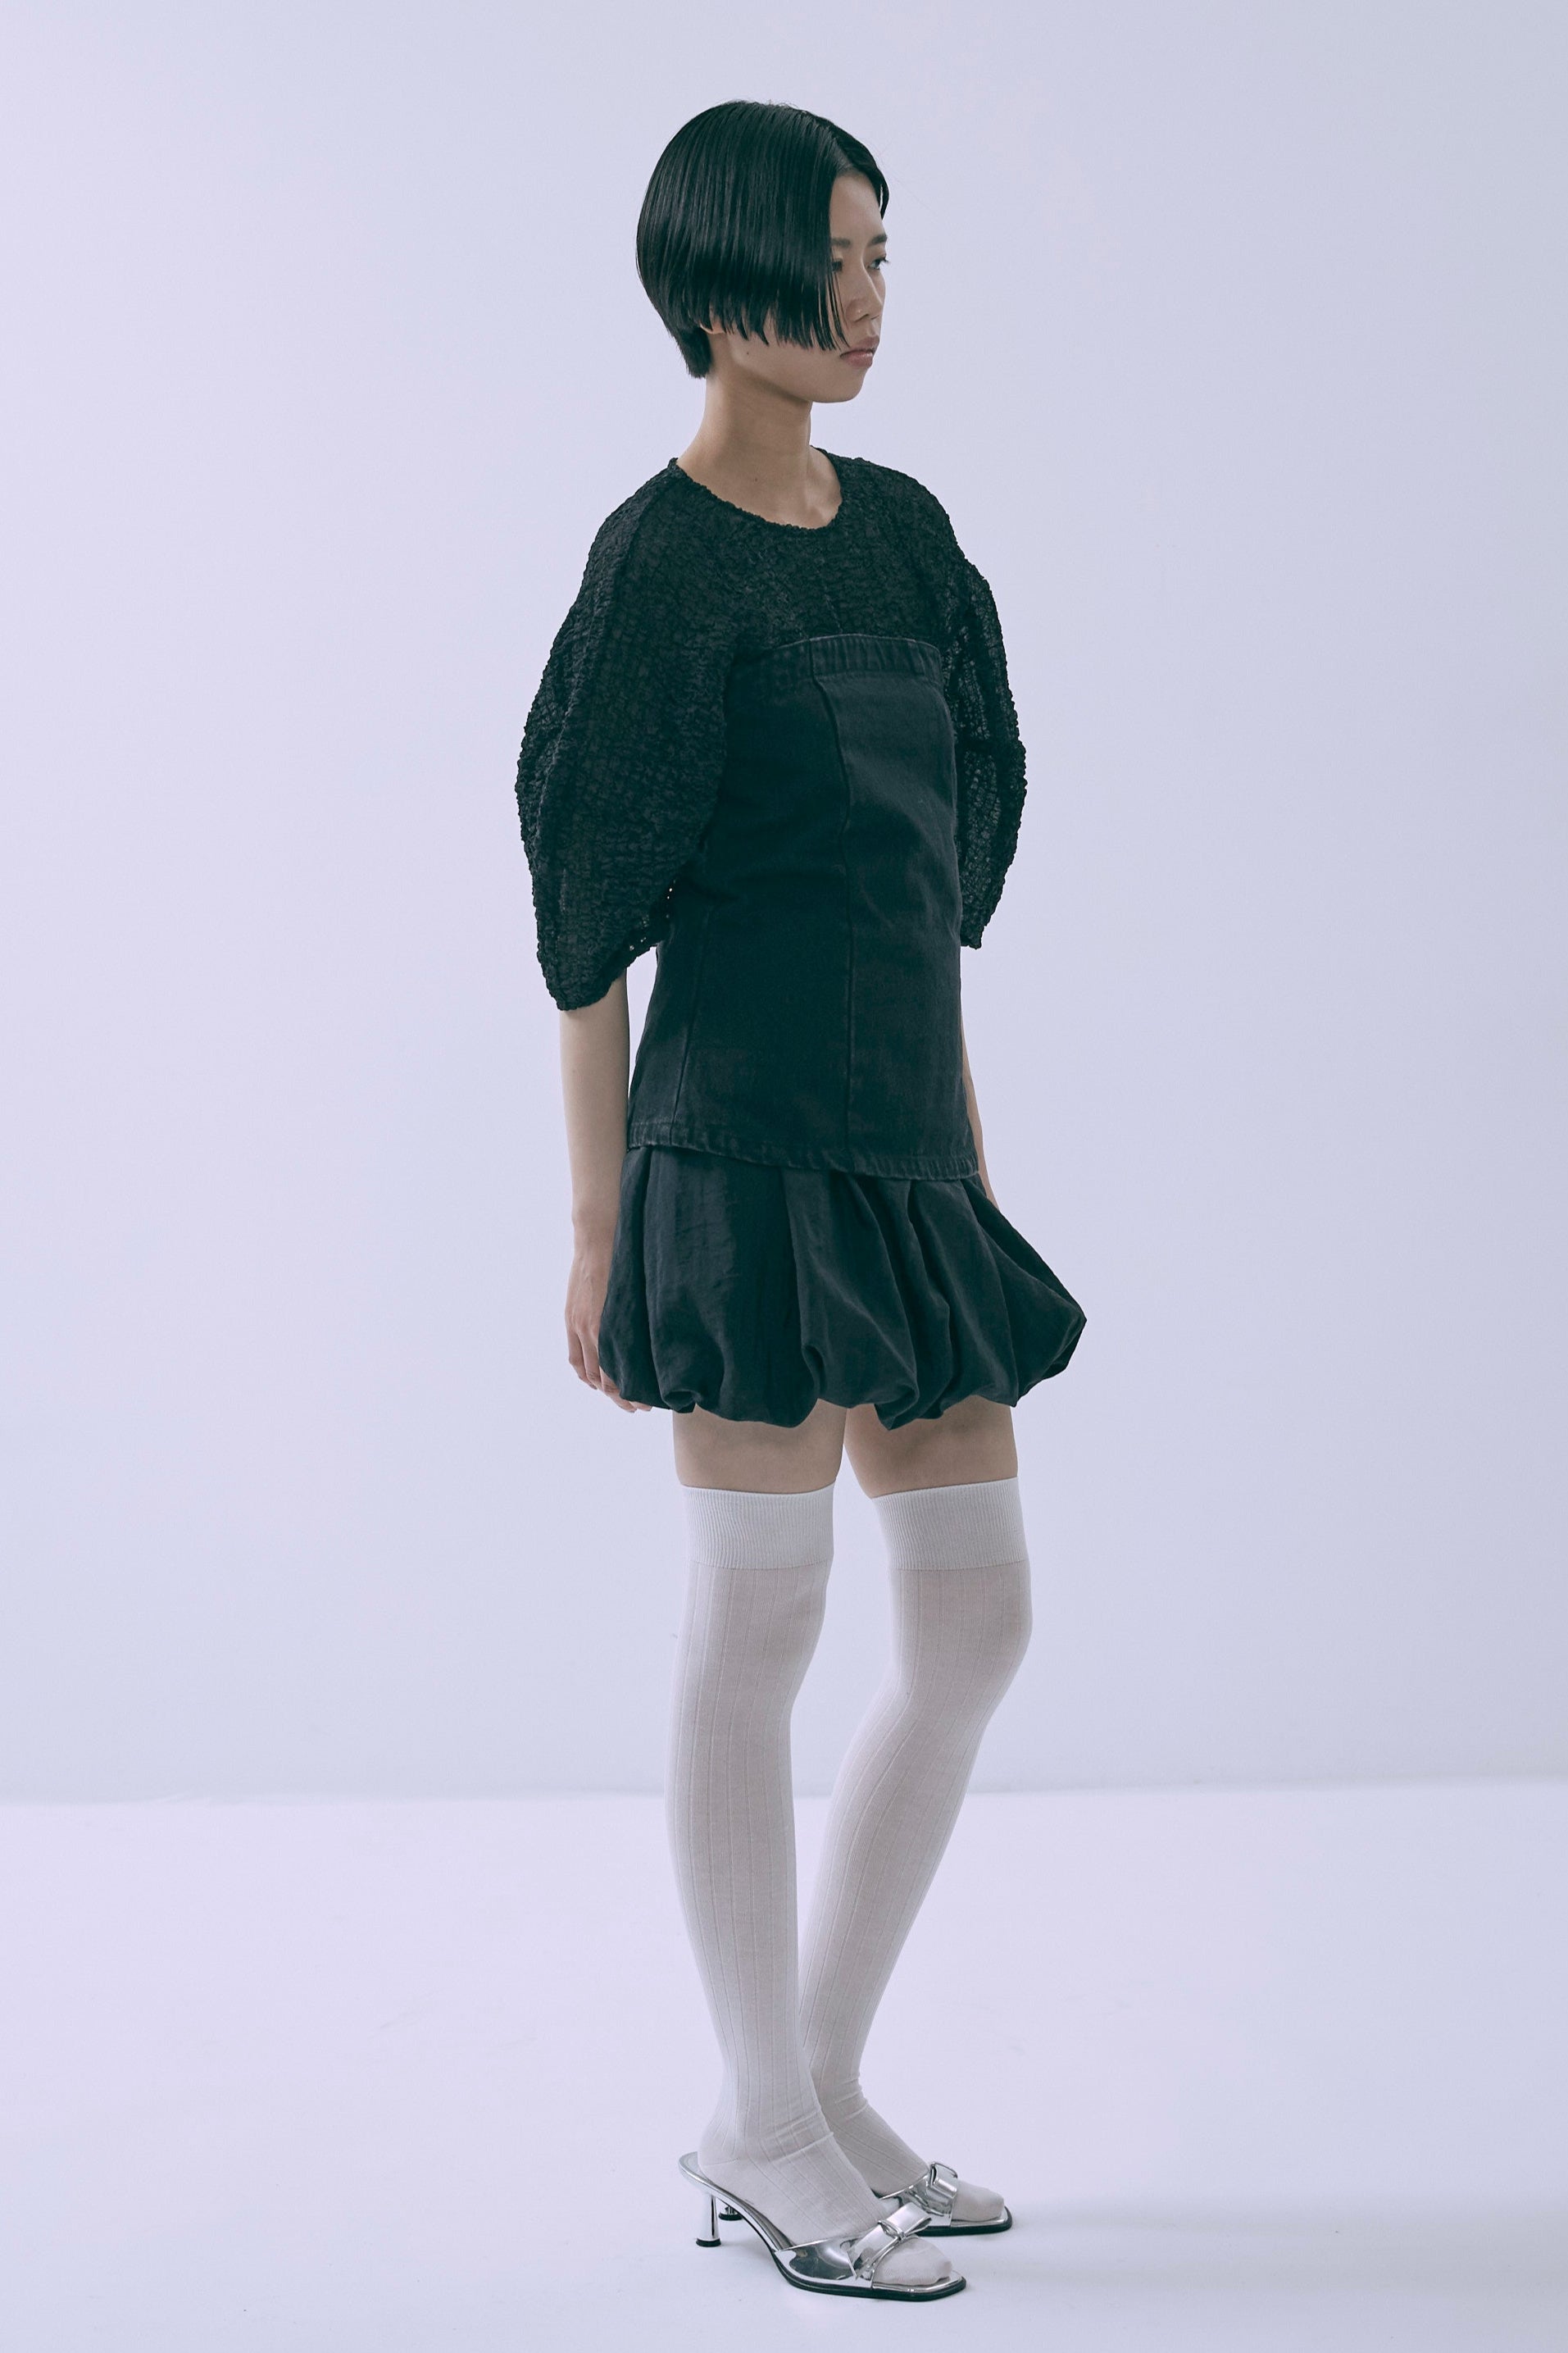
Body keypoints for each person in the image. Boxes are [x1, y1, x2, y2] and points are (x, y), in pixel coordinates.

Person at [516, 99, 1084, 2304]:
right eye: (830, 261)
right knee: (758, 1626)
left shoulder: (909, 538)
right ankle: (759, 2120)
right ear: (721, 280)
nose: (865, 300)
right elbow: (586, 931)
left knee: (975, 1620)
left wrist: (967, 1166)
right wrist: (596, 1230)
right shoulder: (658, 566)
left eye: (878, 256)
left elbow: (933, 898)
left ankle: (808, 2092)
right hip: (733, 1156)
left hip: (911, 1148)